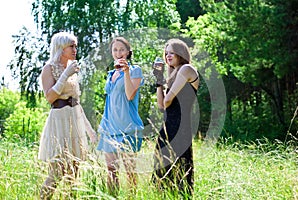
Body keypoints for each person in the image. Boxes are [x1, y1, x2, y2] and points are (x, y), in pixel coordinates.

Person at [38, 32, 97, 199]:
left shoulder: (72, 68)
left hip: (74, 120)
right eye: (71, 46)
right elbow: (50, 97)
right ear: (60, 48)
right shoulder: (48, 68)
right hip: (59, 121)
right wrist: (65, 75)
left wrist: (89, 130)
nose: (75, 49)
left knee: (74, 172)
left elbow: (76, 102)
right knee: (57, 172)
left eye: (75, 46)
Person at [152, 38, 199, 199]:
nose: (168, 56)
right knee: (163, 173)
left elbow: (167, 100)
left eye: (172, 52)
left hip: (180, 127)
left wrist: (166, 85)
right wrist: (159, 81)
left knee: (179, 172)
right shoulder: (173, 75)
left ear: (181, 53)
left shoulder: (186, 69)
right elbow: (161, 105)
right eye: (166, 53)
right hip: (167, 127)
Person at [97, 37, 144, 196]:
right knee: (111, 171)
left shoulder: (135, 70)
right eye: (115, 50)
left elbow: (130, 95)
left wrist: (125, 72)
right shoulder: (110, 74)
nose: (118, 53)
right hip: (109, 127)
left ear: (128, 52)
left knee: (130, 171)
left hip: (127, 127)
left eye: (122, 49)